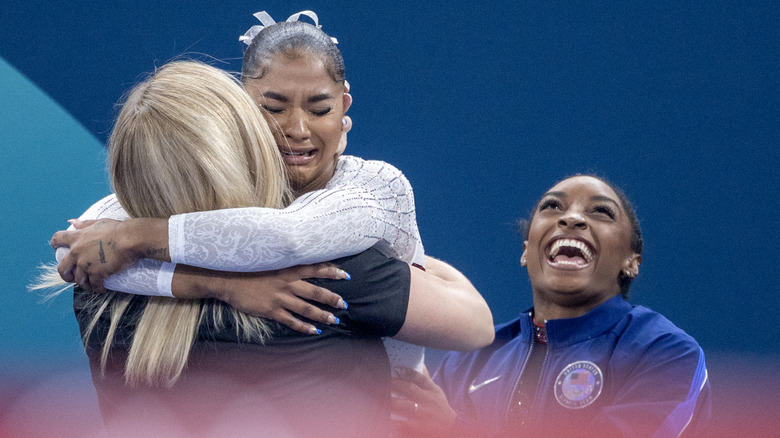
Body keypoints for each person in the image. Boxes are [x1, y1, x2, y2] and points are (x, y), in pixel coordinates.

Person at [36, 60, 489, 438]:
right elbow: (474, 326)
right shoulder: (325, 273)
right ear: (242, 145)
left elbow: (74, 253)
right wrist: (363, 231)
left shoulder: (95, 275)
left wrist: (206, 278)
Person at [390, 175, 712, 437]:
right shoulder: (467, 362)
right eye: (553, 207)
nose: (571, 218)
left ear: (632, 262)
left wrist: (454, 430)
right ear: (527, 251)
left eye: (601, 212)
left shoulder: (664, 352)